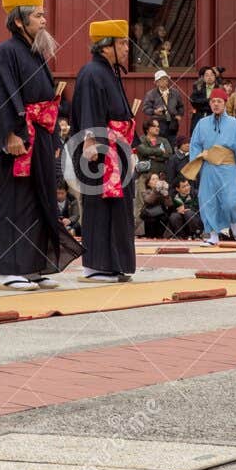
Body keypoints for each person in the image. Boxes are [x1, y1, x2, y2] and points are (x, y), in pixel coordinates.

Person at [0, 0, 80, 291]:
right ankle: (11, 269)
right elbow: (0, 95)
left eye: (42, 14)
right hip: (19, 135)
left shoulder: (35, 53)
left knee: (41, 198)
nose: (43, 20)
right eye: (37, 15)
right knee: (17, 199)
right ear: (19, 22)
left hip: (40, 135)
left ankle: (35, 264)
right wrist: (10, 133)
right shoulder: (5, 52)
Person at [68, 20, 138, 281]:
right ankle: (96, 265)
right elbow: (89, 110)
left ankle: (112, 264)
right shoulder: (92, 72)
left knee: (117, 209)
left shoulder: (110, 72)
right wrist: (90, 142)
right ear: (106, 46)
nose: (126, 49)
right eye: (121, 43)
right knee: (99, 206)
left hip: (116, 150)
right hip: (100, 152)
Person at [183, 87, 236, 245]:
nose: (215, 104)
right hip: (208, 168)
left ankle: (235, 227)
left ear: (225, 103)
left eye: (219, 101)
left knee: (231, 201)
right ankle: (213, 234)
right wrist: (196, 164)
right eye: (213, 101)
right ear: (209, 103)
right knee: (207, 200)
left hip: (228, 167)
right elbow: (195, 145)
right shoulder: (202, 124)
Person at [141, 69, 185, 144]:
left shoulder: (175, 93)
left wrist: (179, 114)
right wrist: (155, 111)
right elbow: (145, 108)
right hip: (158, 124)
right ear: (156, 83)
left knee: (172, 144)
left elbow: (181, 106)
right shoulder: (151, 94)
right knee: (159, 144)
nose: (164, 81)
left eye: (165, 79)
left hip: (173, 124)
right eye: (161, 80)